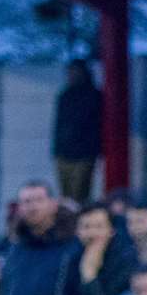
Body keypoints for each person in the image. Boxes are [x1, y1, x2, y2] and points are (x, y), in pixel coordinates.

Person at [0, 181, 78, 295]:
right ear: (20, 208)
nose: (32, 207)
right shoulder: (11, 249)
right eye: (26, 202)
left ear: (54, 204)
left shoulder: (73, 246)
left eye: (39, 200)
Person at [63, 202, 138, 295]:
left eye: (99, 227)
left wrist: (89, 276)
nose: (92, 233)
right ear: (78, 231)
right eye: (86, 227)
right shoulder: (72, 256)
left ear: (111, 230)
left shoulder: (127, 259)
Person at [53, 60, 102, 204]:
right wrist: (56, 150)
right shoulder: (65, 96)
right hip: (64, 152)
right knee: (66, 195)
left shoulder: (94, 96)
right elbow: (58, 125)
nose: (71, 75)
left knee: (80, 194)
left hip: (84, 153)